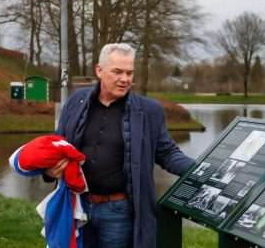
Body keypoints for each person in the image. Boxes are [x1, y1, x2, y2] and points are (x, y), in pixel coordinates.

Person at [44, 43, 194, 248]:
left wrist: (198, 170)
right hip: (77, 205)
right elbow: (56, 145)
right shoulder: (76, 101)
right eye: (117, 72)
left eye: (129, 73)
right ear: (99, 70)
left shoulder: (149, 111)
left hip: (119, 212)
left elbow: (167, 153)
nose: (125, 79)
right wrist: (49, 170)